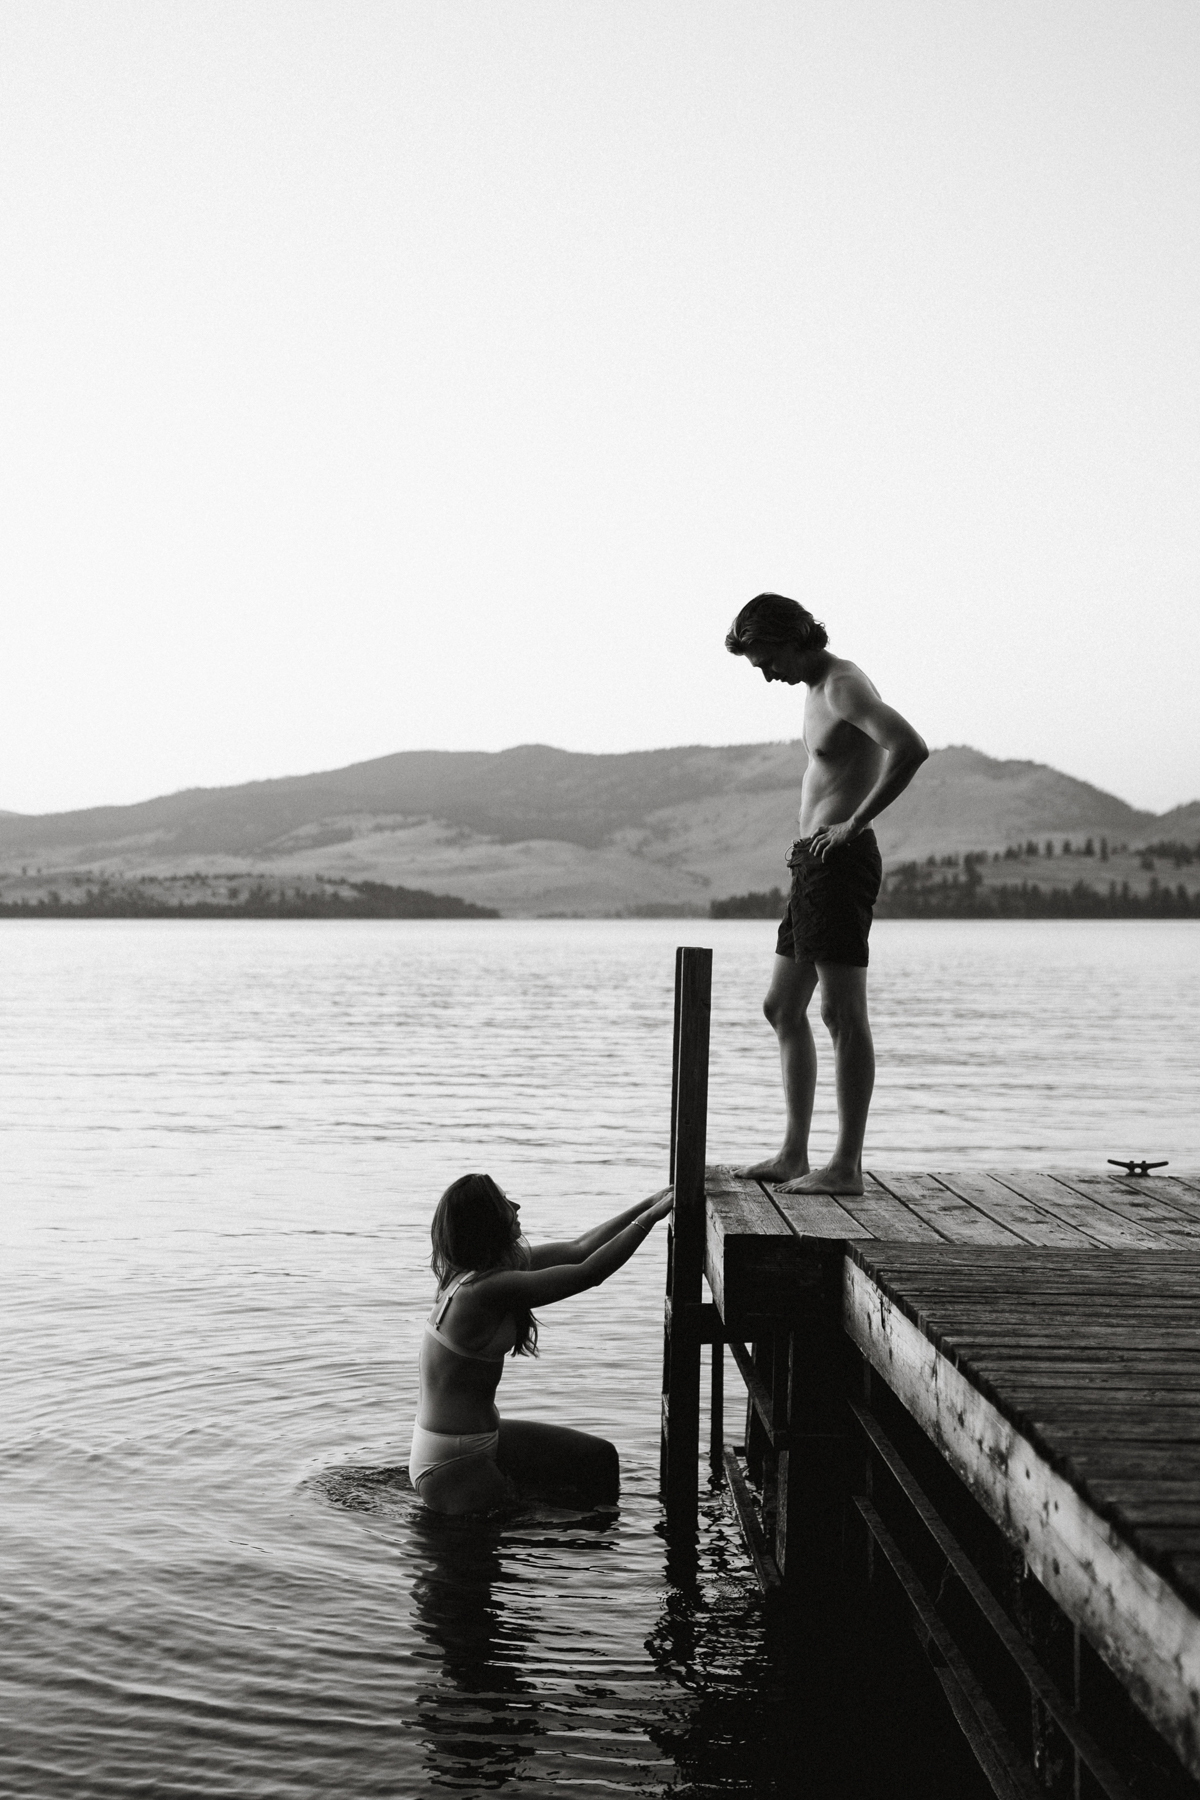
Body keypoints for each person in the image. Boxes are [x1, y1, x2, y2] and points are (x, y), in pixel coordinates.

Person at [726, 592, 928, 1195]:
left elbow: (910, 747)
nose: (765, 674)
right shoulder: (816, 691)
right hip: (813, 865)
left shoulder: (842, 686)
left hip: (839, 863)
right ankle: (793, 1154)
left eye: (765, 658)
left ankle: (845, 1167)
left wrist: (852, 825)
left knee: (842, 1014)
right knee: (781, 1007)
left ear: (792, 638)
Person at [409, 1172, 673, 1514]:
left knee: (598, 1458)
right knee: (490, 1554)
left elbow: (580, 1249)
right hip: (452, 1458)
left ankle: (597, 1537)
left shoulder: (488, 1273)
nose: (516, 1206)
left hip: (474, 1439)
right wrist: (650, 1219)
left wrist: (650, 1202)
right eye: (504, 1202)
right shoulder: (482, 1291)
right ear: (487, 1222)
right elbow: (589, 1273)